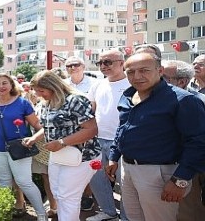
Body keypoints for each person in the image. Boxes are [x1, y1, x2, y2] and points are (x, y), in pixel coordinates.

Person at [106, 53, 205, 221]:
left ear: (160, 71)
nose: (137, 76)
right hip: (128, 169)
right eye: (130, 72)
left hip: (161, 173)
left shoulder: (183, 100)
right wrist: (114, 156)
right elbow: (122, 128)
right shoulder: (128, 95)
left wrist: (180, 180)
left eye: (144, 70)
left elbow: (198, 142)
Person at [28, 70, 101, 221]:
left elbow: (92, 129)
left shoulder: (75, 100)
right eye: (36, 91)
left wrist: (62, 143)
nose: (39, 95)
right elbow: (49, 127)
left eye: (41, 90)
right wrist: (34, 138)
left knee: (68, 197)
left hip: (82, 155)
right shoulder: (48, 102)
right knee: (58, 194)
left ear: (53, 86)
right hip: (58, 155)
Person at [0, 73, 47, 221]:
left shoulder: (22, 103)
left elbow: (36, 124)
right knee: (3, 182)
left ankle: (42, 215)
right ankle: (4, 214)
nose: (1, 86)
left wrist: (38, 136)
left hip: (20, 149)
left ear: (11, 85)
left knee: (24, 182)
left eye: (5, 83)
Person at [84, 49, 129, 221]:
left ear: (121, 62)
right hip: (97, 139)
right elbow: (91, 110)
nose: (103, 66)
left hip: (122, 142)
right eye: (100, 63)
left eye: (108, 62)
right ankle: (108, 212)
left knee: (124, 184)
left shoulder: (132, 84)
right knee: (96, 179)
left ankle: (126, 217)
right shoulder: (97, 84)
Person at [160, 60, 205, 221]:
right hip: (171, 165)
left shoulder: (193, 101)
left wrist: (182, 177)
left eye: (163, 77)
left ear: (182, 81)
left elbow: (197, 142)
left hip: (188, 167)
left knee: (188, 211)